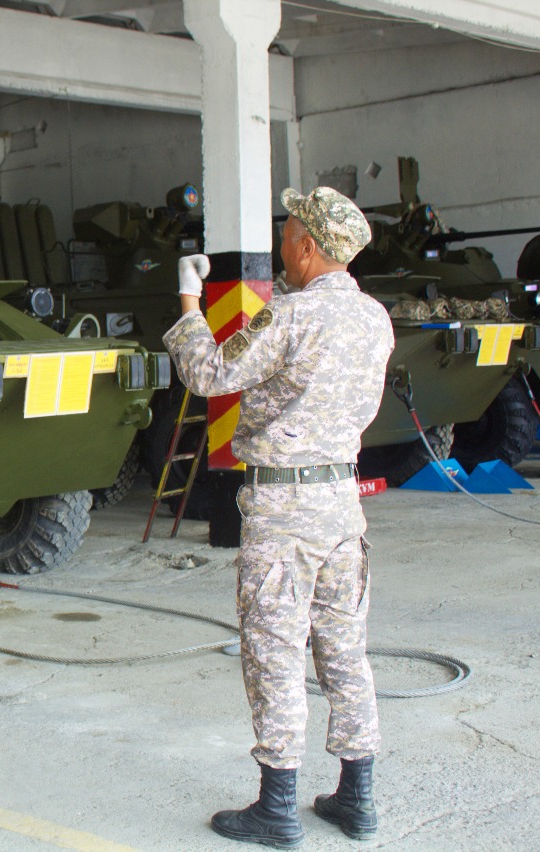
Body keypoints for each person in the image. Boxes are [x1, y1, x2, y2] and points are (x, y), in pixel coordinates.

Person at [161, 186, 394, 848]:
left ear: (309, 247)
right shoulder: (376, 318)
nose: (285, 246)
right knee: (345, 647)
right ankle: (358, 795)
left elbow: (208, 375)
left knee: (275, 649)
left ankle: (278, 804)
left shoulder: (290, 317)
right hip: (342, 505)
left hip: (285, 507)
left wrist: (187, 300)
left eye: (289, 235)